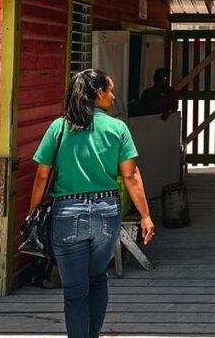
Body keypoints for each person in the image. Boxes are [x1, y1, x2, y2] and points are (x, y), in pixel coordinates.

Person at [28, 68, 155, 338]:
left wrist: (33, 214)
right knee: (97, 278)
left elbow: (41, 176)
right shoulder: (117, 128)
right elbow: (130, 175)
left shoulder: (58, 127)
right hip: (106, 213)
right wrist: (145, 215)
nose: (113, 95)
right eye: (110, 90)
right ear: (98, 93)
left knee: (74, 292)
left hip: (67, 212)